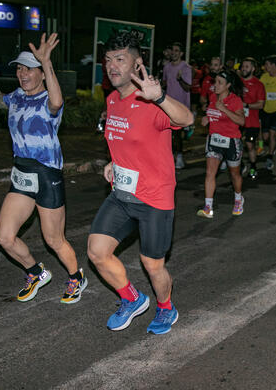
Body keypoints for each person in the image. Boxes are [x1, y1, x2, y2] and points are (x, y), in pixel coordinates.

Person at [87, 33, 193, 334]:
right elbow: (123, 140)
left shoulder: (150, 101)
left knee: (152, 264)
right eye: (108, 60)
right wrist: (113, 162)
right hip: (122, 193)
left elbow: (186, 119)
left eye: (120, 59)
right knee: (97, 251)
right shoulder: (112, 99)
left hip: (153, 198)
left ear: (138, 62)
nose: (112, 66)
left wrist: (159, 97)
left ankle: (165, 307)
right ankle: (132, 299)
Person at [0, 34, 87, 304]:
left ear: (41, 73)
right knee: (4, 237)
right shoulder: (15, 97)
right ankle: (36, 272)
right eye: (19, 68)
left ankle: (76, 277)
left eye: (29, 68)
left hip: (47, 174)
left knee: (54, 239)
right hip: (23, 174)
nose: (22, 73)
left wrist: (47, 62)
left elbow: (58, 102)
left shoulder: (49, 101)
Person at [197, 70, 245, 217]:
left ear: (228, 85)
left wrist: (224, 108)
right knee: (210, 173)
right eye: (215, 82)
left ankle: (238, 198)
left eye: (219, 83)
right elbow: (213, 115)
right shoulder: (212, 97)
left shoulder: (235, 100)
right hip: (214, 140)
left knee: (234, 174)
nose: (215, 85)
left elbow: (241, 121)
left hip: (231, 141)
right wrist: (207, 119)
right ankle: (208, 207)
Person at [162, 42, 192, 169]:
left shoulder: (185, 68)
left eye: (176, 50)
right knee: (166, 133)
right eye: (172, 50)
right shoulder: (167, 67)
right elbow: (164, 82)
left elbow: (188, 88)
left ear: (181, 53)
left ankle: (179, 157)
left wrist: (180, 79)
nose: (173, 53)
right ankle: (168, 158)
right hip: (167, 104)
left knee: (177, 134)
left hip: (181, 105)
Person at [239, 57, 265, 180]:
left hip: (251, 122)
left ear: (253, 69)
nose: (244, 69)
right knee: (235, 144)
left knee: (250, 145)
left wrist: (246, 105)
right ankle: (240, 165)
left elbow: (261, 104)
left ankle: (253, 167)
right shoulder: (237, 82)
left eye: (247, 66)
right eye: (243, 66)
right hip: (237, 120)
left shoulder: (258, 85)